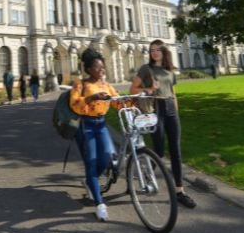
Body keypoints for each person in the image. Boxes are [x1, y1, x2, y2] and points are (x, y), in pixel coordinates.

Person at [130, 39, 197, 209]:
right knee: (159, 150)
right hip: (155, 109)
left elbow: (173, 93)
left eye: (158, 49)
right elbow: (132, 89)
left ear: (164, 51)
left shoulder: (169, 70)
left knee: (175, 150)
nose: (154, 52)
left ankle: (180, 191)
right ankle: (144, 173)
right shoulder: (146, 69)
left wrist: (176, 112)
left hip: (170, 110)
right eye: (152, 50)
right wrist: (148, 90)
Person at [70, 48, 120, 222]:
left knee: (106, 159)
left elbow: (118, 101)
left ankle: (91, 182)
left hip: (102, 125)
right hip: (86, 126)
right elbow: (75, 104)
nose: (102, 71)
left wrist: (136, 99)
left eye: (103, 68)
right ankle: (100, 204)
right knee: (91, 163)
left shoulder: (106, 86)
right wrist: (91, 98)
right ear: (89, 69)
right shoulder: (80, 84)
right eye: (98, 68)